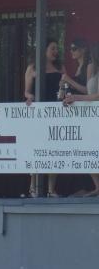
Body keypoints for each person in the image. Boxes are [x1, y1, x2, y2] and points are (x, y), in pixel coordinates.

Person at [23, 38, 65, 198]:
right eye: (52, 48)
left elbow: (65, 86)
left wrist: (63, 94)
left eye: (56, 49)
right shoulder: (32, 68)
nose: (56, 51)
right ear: (44, 50)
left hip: (56, 114)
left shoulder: (60, 67)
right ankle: (33, 187)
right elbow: (26, 91)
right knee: (36, 149)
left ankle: (51, 189)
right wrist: (30, 96)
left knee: (54, 150)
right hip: (38, 116)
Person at [64, 42, 99, 196]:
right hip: (89, 116)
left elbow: (97, 96)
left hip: (96, 114)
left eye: (92, 55)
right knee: (87, 149)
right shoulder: (93, 70)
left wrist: (76, 97)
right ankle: (97, 187)